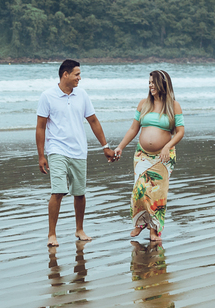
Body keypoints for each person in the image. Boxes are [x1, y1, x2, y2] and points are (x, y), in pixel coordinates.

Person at [36, 59, 114, 246]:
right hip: (57, 150)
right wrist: (41, 155)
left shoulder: (82, 95)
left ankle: (79, 230)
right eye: (77, 74)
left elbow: (93, 121)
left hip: (79, 150)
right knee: (58, 191)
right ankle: (52, 234)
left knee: (79, 193)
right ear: (65, 74)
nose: (80, 78)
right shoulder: (47, 96)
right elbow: (40, 127)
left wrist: (105, 146)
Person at [111, 70, 185, 242]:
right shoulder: (143, 104)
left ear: (163, 84)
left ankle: (154, 230)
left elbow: (180, 132)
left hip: (164, 156)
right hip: (142, 155)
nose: (150, 85)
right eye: (149, 82)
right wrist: (120, 147)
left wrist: (168, 146)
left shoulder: (174, 106)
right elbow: (133, 129)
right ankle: (140, 223)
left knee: (157, 194)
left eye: (153, 82)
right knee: (139, 190)